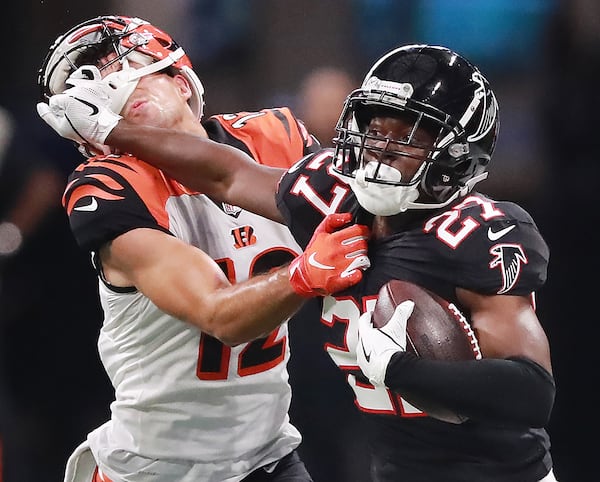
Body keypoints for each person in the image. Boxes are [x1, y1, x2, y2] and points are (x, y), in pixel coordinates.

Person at [39, 43, 558, 481]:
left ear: (455, 155)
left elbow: (530, 393)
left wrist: (402, 371)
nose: (378, 151)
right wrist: (114, 131)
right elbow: (227, 174)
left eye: (404, 138)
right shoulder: (335, 197)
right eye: (373, 130)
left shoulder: (479, 234)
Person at [36, 15, 371, 482]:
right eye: (94, 82)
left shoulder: (274, 136)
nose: (110, 88)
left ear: (181, 82)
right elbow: (219, 315)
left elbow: (347, 209)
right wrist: (305, 273)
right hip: (154, 468)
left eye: (124, 69)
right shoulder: (110, 186)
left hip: (267, 455)